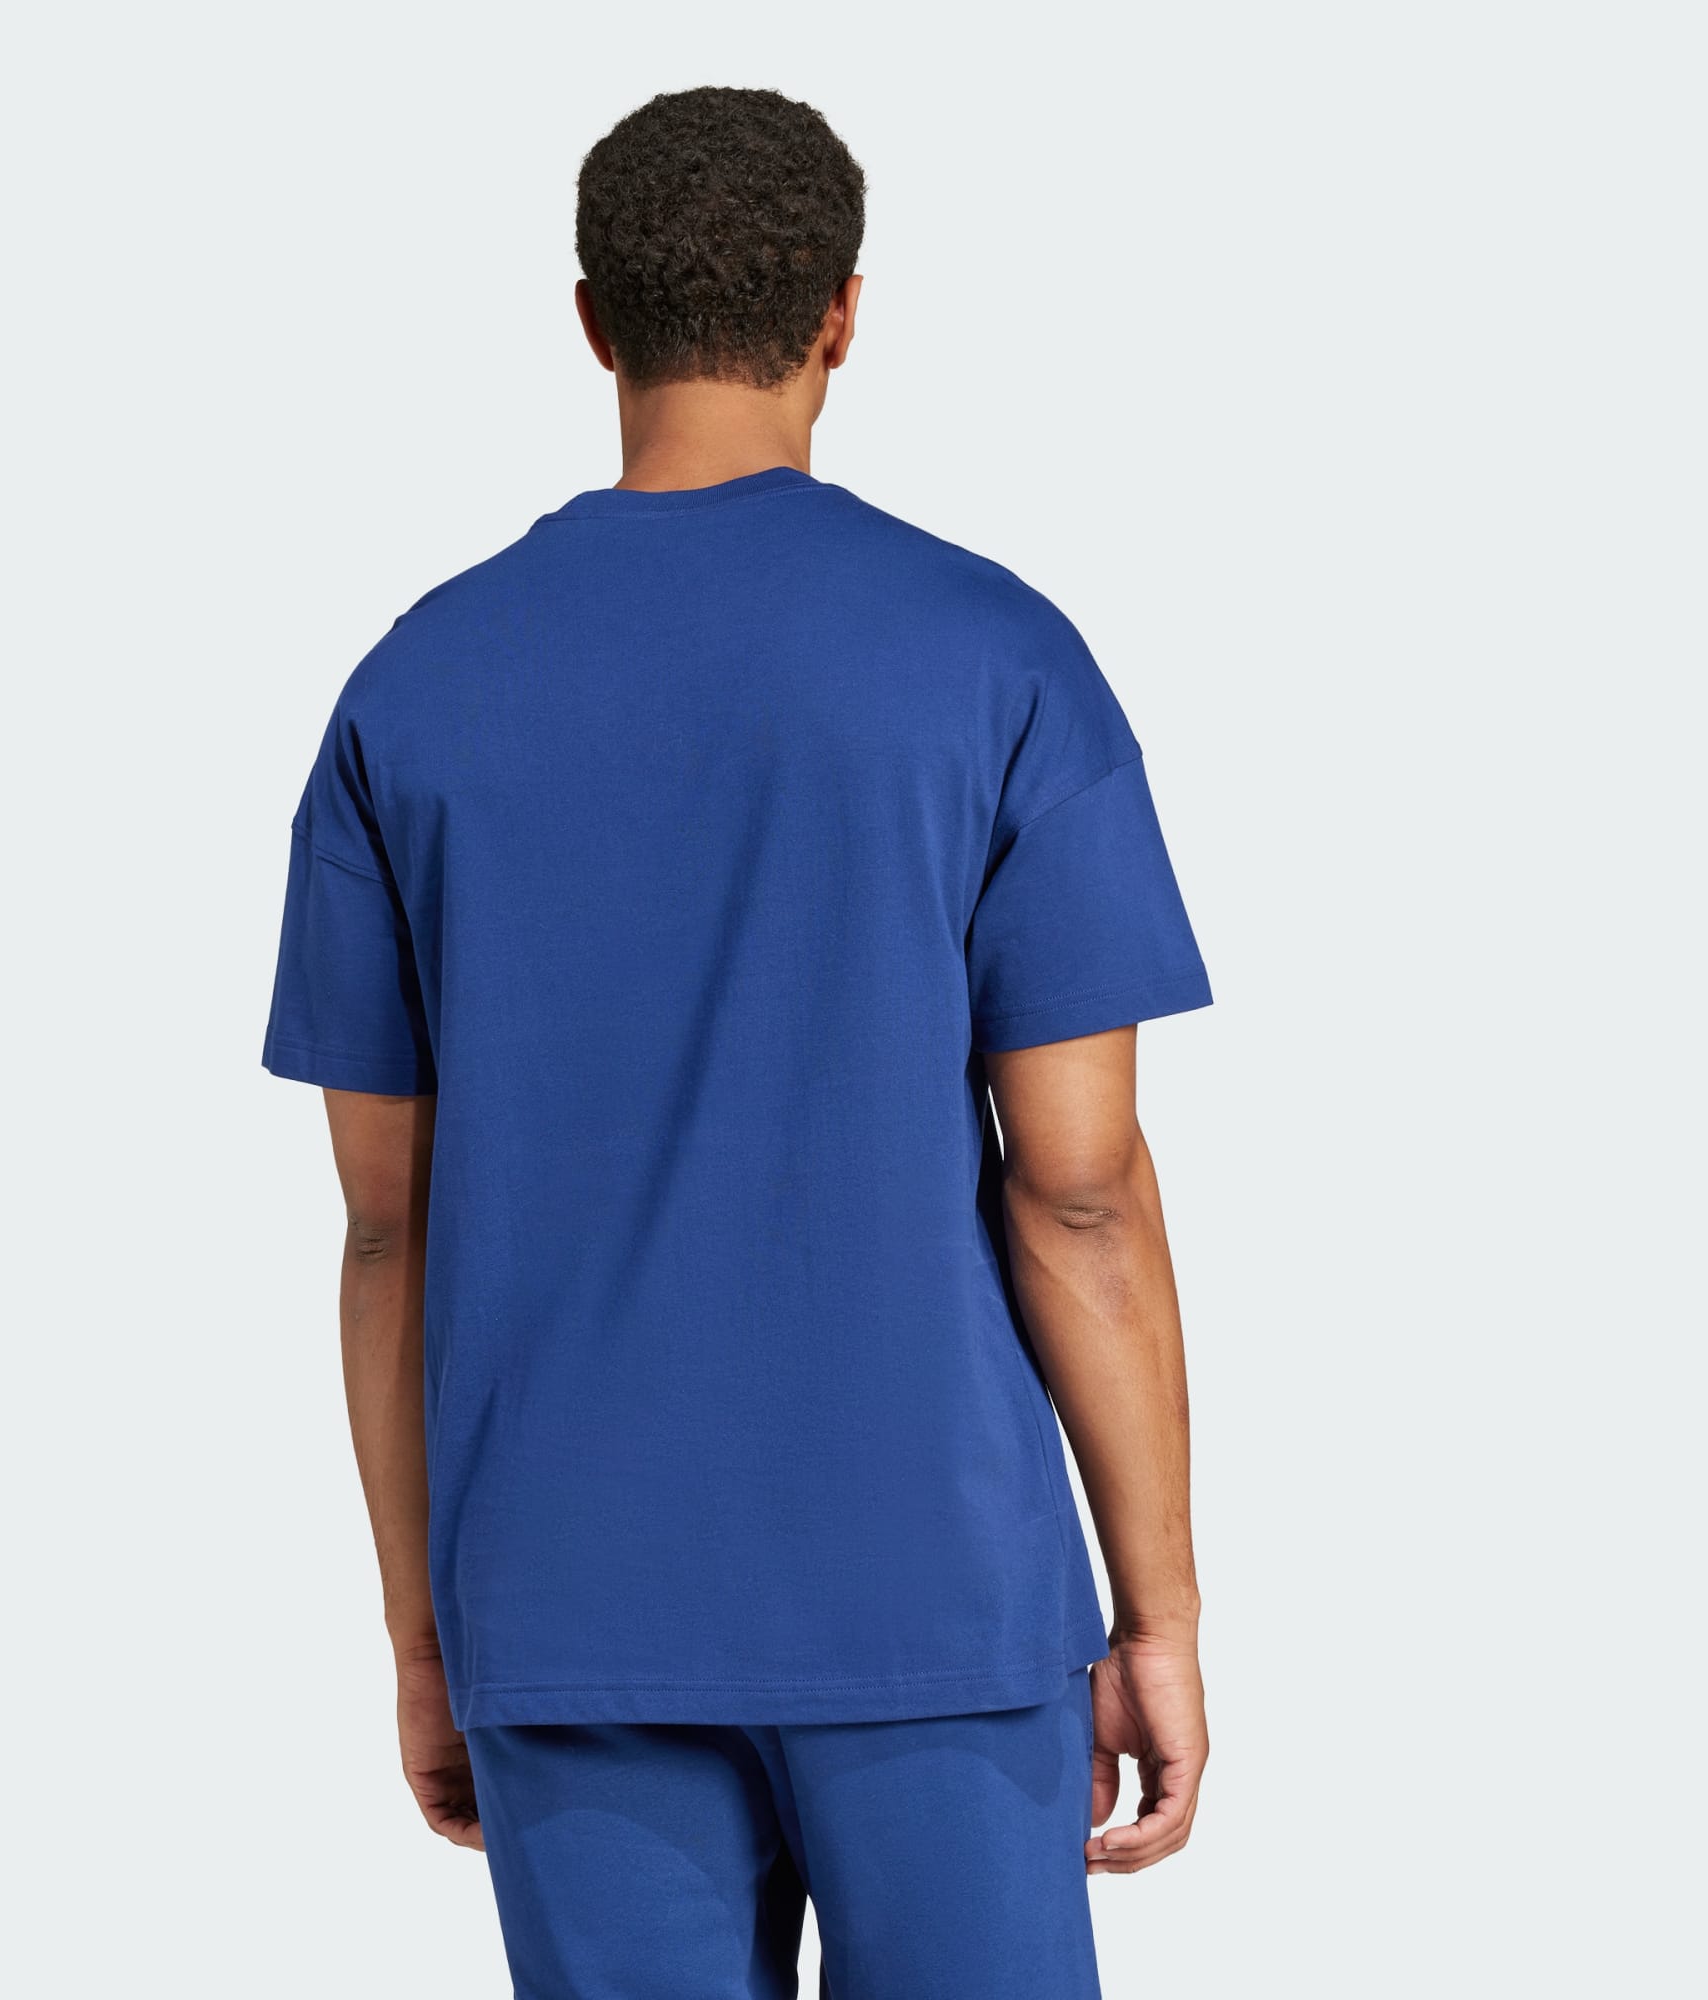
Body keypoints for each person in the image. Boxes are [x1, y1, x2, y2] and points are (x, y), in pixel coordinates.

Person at [263, 85, 1211, 1998]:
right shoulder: (999, 658)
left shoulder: (413, 688)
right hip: (934, 1599)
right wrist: (1161, 1615)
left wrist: (427, 1638)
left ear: (593, 321)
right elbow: (1079, 1189)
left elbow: (387, 1226)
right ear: (843, 315)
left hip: (567, 1600)